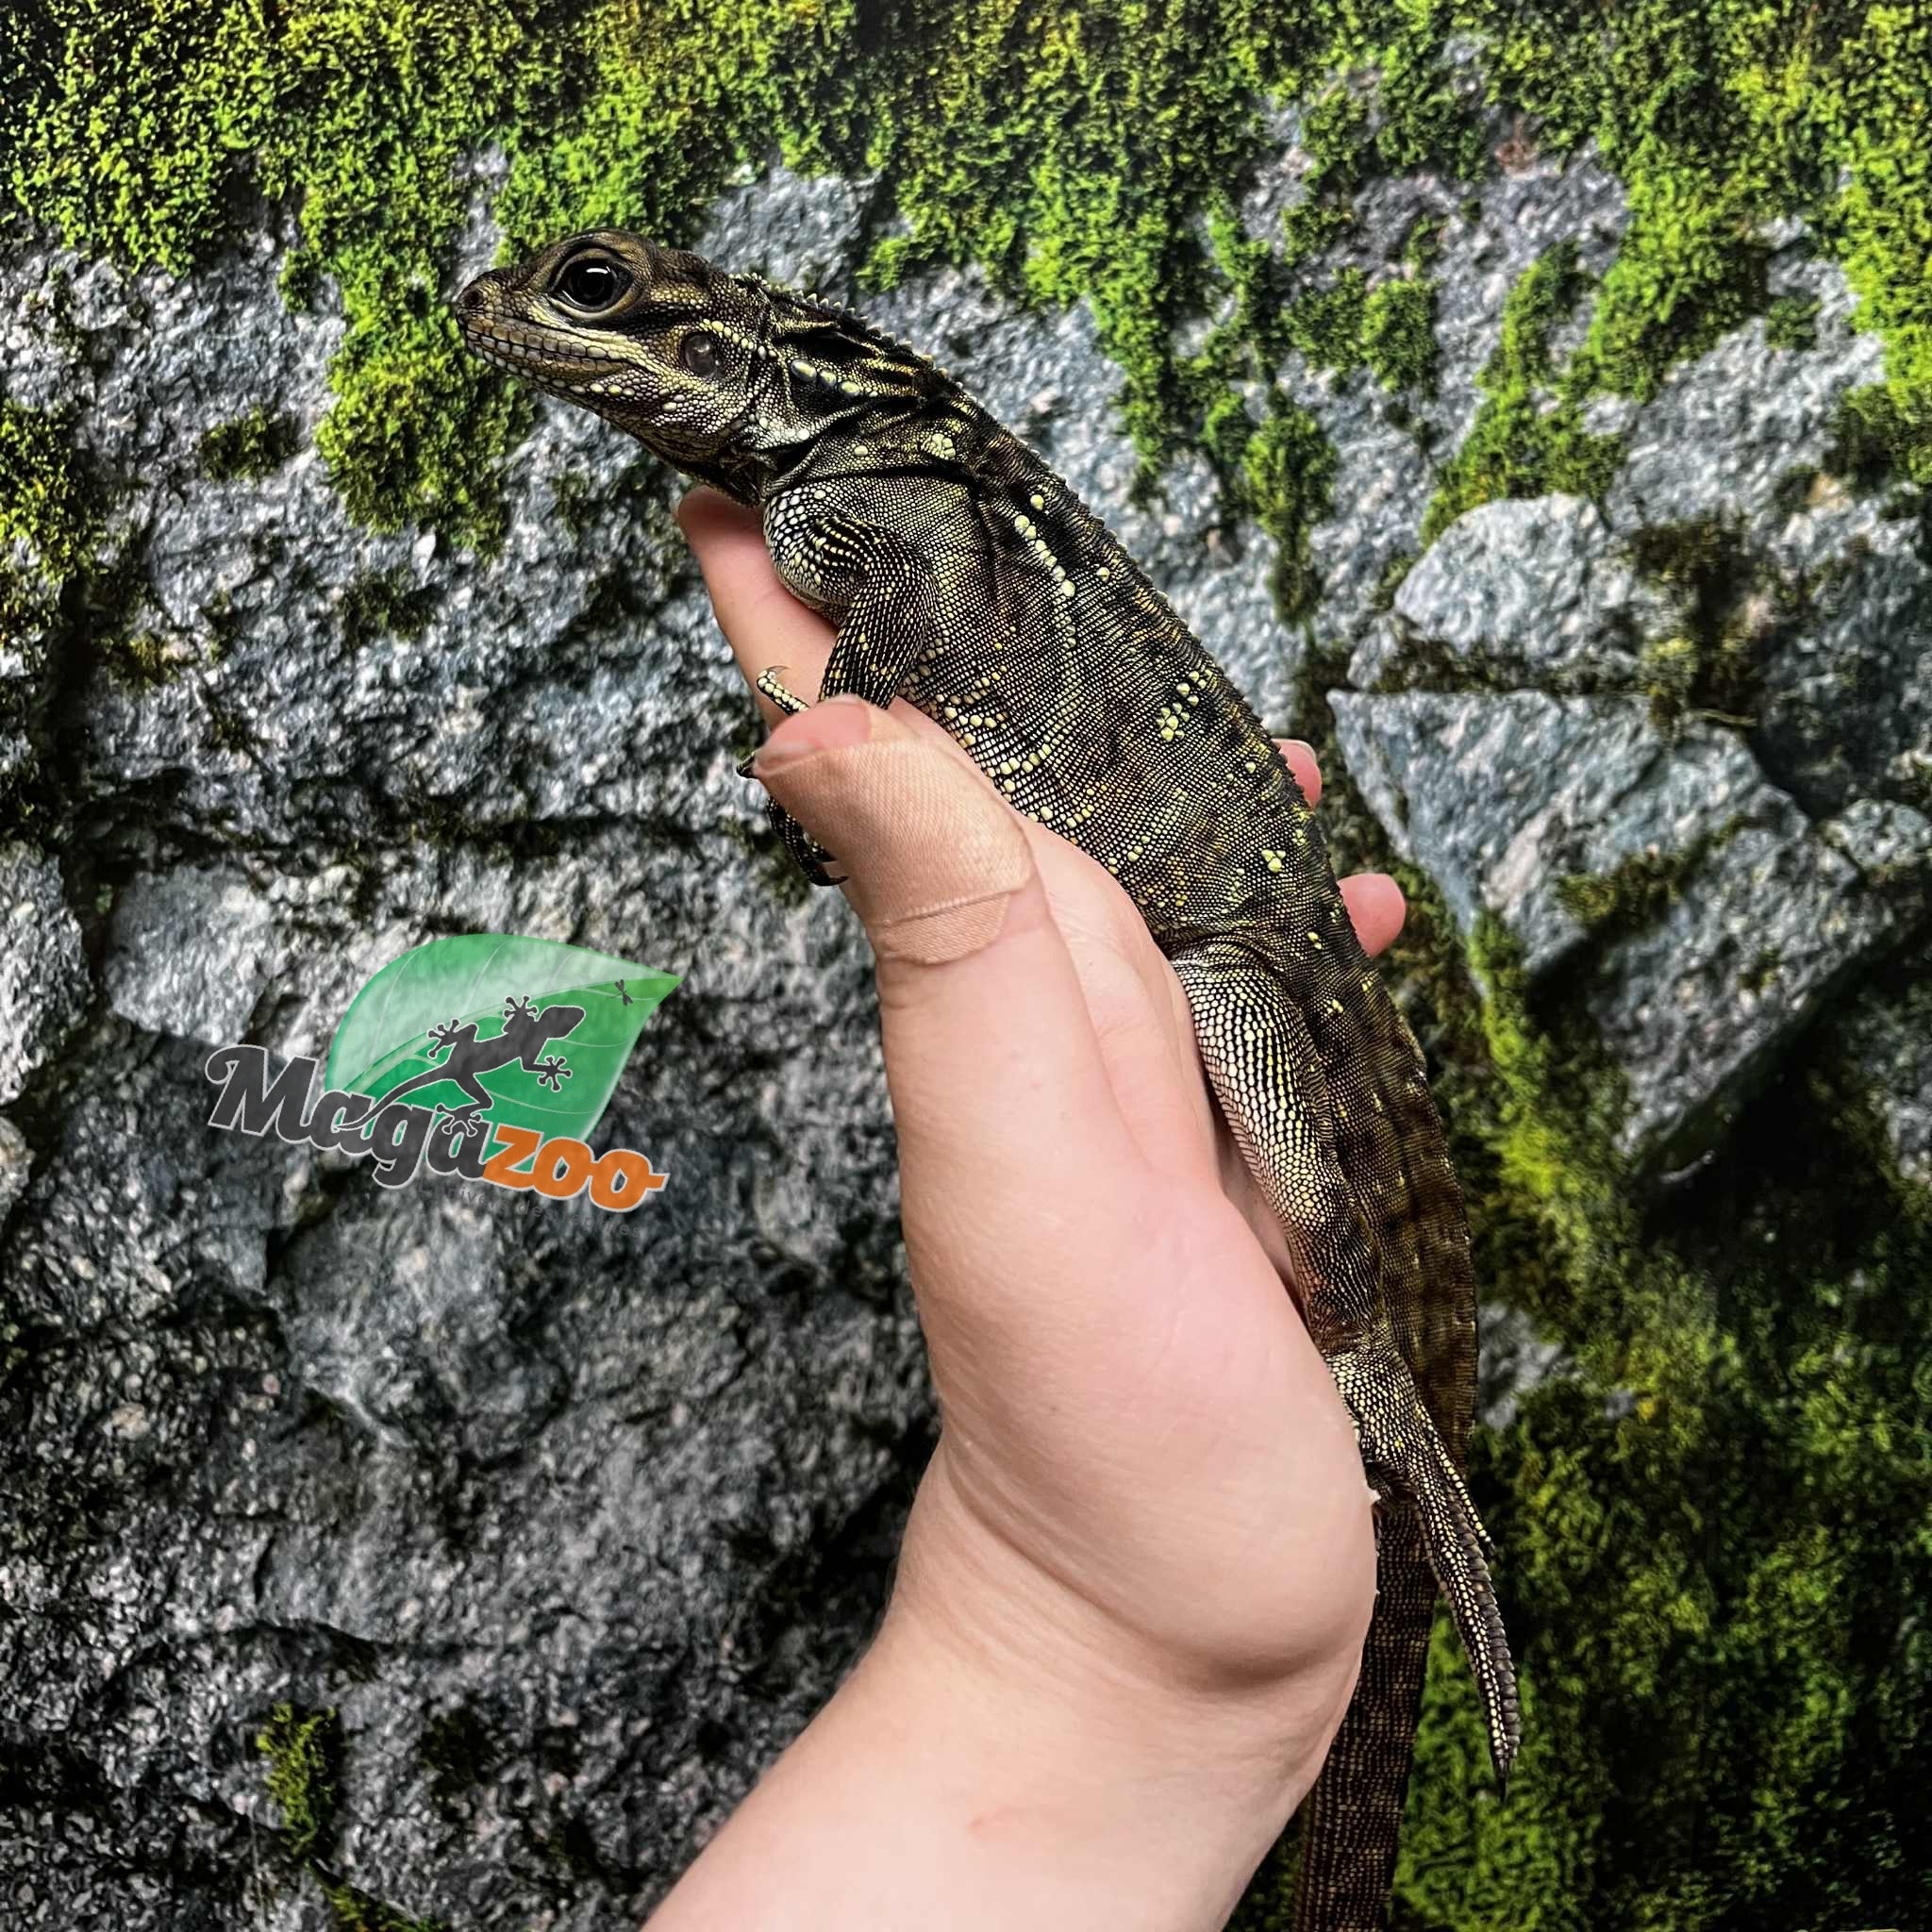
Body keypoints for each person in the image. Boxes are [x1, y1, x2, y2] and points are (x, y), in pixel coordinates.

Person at [647, 487, 1407, 1930]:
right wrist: (1116, 1644)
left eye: (603, 294)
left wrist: (1122, 1654)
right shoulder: (839, 514)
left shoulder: (858, 503)